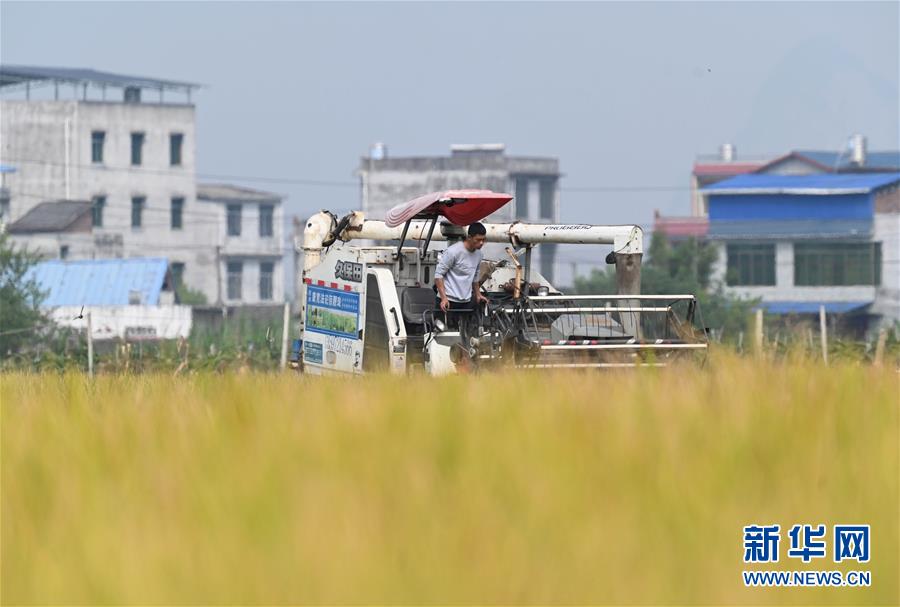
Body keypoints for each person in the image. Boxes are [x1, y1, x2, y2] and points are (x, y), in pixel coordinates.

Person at [434, 222, 489, 327]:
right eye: (478, 240)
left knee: (467, 334)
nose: (481, 243)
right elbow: (438, 275)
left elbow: (475, 276)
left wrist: (478, 294)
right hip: (448, 301)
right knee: (442, 334)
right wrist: (443, 297)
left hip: (466, 301)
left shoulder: (479, 254)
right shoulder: (453, 252)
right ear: (469, 237)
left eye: (483, 240)